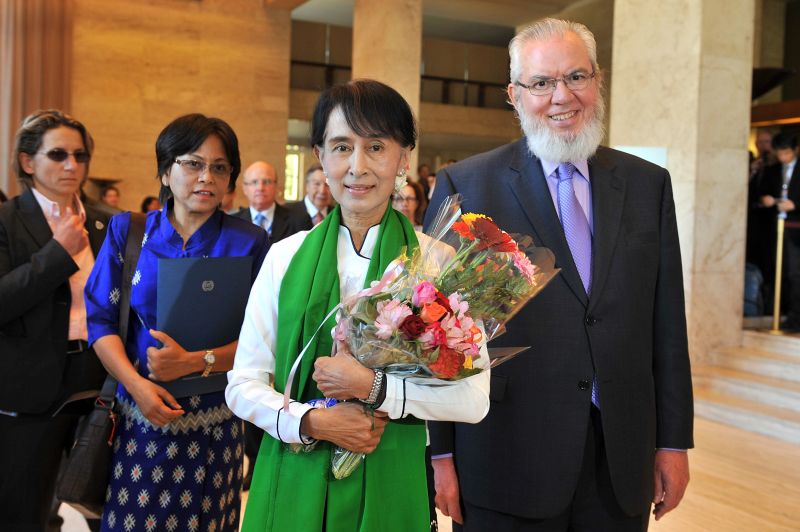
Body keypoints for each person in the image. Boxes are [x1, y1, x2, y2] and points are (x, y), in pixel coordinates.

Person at [426, 18, 693, 531]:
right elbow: (436, 333)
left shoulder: (647, 185)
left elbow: (667, 326)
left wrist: (673, 442)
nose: (562, 96)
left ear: (598, 81)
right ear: (514, 95)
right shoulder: (467, 185)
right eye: (541, 82)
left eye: (576, 76)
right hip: (504, 459)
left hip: (620, 461)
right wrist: (440, 456)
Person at [226, 79, 490, 532]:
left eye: (376, 147)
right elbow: (242, 383)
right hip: (292, 471)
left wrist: (375, 388)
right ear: (320, 156)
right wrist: (311, 421)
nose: (358, 166)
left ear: (403, 159)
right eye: (342, 147)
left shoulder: (437, 263)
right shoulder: (285, 257)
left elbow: (473, 399)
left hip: (392, 474)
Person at [84, 113, 269, 531]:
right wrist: (137, 386)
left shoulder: (250, 242)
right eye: (193, 164)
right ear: (166, 172)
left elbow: (264, 339)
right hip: (140, 418)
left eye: (219, 168)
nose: (206, 177)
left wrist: (195, 362)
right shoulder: (130, 231)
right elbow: (101, 321)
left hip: (216, 425)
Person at [0, 109, 108, 531]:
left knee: (107, 509)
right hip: (30, 388)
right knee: (25, 513)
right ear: (28, 162)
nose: (71, 165)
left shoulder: (108, 222)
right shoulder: (7, 221)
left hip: (100, 379)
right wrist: (57, 254)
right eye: (58, 155)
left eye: (80, 156)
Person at [759, 133, 800, 330]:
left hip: (795, 229)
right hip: (775, 228)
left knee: (795, 274)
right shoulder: (772, 170)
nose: (784, 157)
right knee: (779, 272)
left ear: (795, 150)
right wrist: (765, 199)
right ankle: (781, 313)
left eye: (787, 153)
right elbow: (760, 192)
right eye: (780, 154)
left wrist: (796, 205)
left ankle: (795, 318)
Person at [234, 161, 306, 243]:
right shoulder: (233, 222)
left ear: (276, 186)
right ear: (244, 188)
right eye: (254, 182)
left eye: (267, 182)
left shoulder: (298, 220)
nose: (260, 188)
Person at [285, 163, 332, 228]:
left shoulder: (339, 215)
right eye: (317, 184)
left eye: (327, 185)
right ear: (307, 186)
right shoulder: (286, 213)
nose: (322, 191)